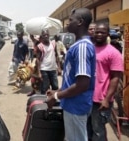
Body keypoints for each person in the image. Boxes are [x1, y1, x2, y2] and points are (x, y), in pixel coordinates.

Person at [46, 8, 96, 141]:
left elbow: (82, 85)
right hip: (73, 104)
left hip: (76, 105)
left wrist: (56, 96)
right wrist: (58, 90)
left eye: (70, 20)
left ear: (80, 22)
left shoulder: (82, 47)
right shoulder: (79, 45)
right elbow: (72, 78)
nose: (67, 24)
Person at [87, 23, 123, 141]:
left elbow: (115, 78)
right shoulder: (89, 48)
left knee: (98, 132)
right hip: (86, 97)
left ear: (107, 34)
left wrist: (107, 99)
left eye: (102, 32)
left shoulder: (113, 53)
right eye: (97, 31)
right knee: (87, 129)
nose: (98, 34)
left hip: (101, 100)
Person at [36, 29, 59, 95]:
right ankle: (44, 102)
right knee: (45, 87)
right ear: (42, 36)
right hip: (44, 69)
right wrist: (39, 72)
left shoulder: (53, 44)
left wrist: (59, 67)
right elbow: (38, 59)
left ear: (49, 35)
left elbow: (56, 55)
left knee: (55, 86)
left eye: (47, 34)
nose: (46, 36)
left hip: (53, 69)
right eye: (44, 35)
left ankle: (54, 101)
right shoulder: (40, 46)